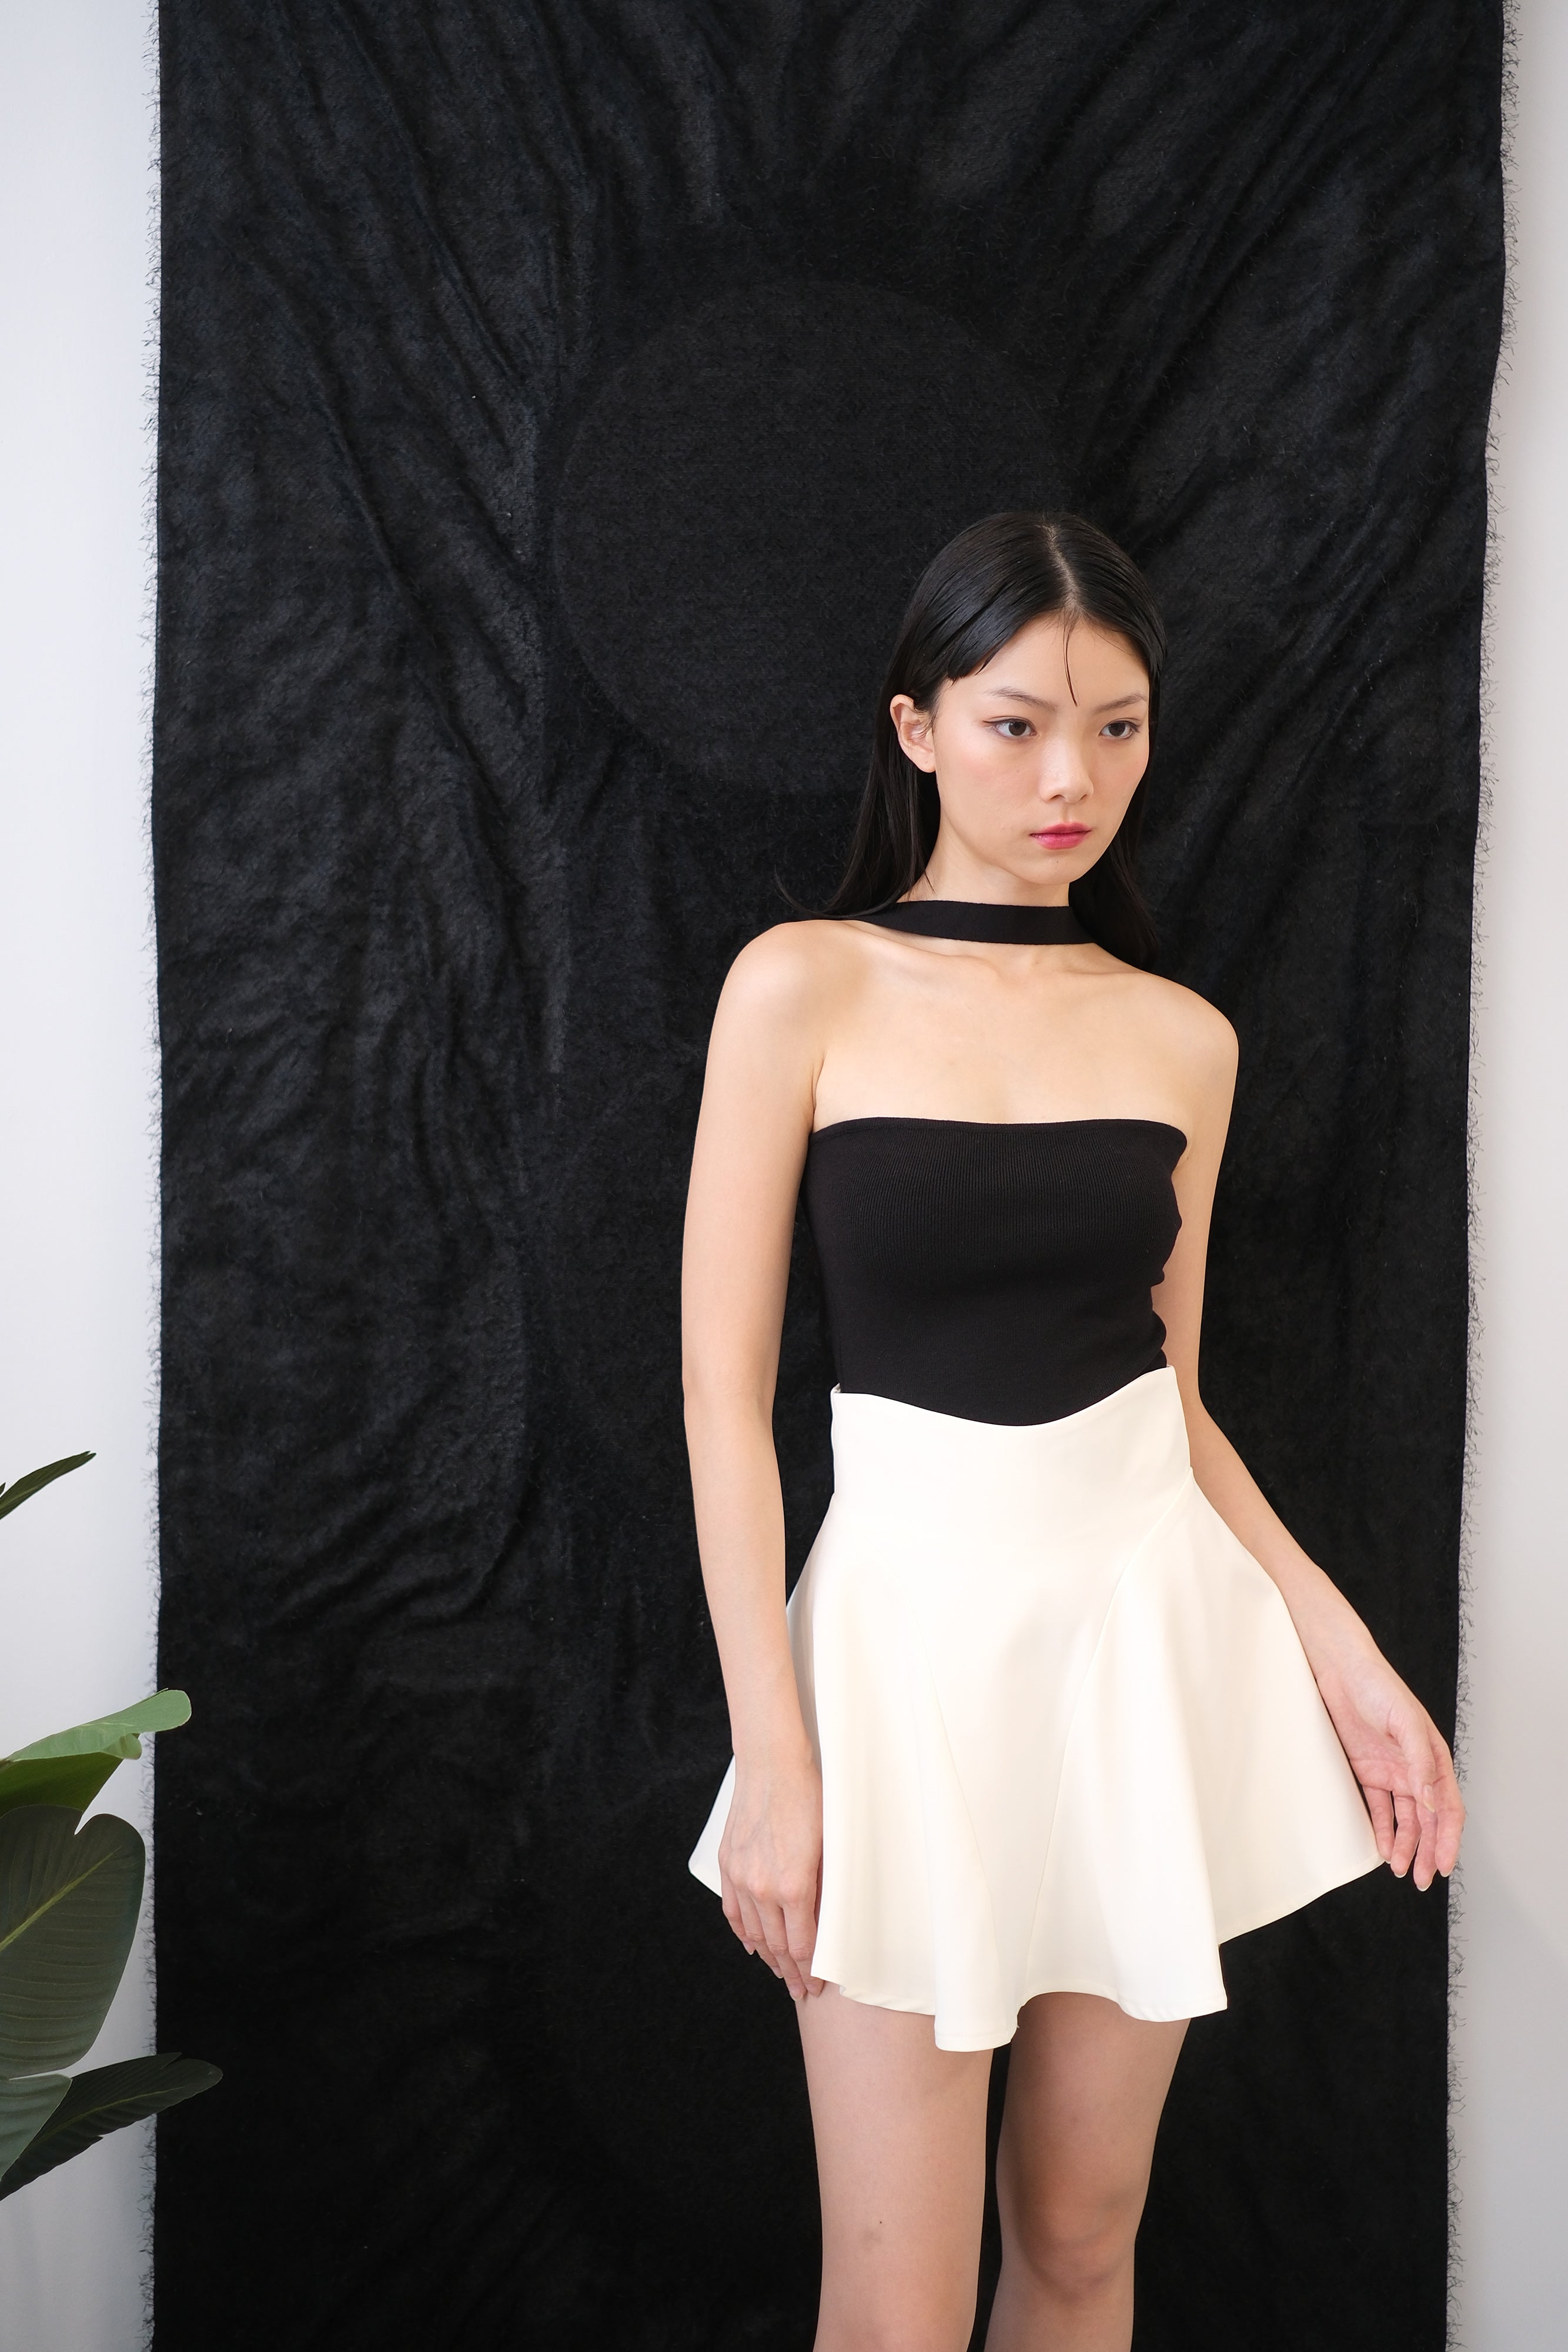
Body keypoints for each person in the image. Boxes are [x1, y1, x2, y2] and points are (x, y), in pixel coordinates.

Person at [681, 512, 1463, 2352]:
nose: (1071, 778)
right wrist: (773, 1755)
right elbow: (720, 1396)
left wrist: (1343, 1654)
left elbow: (1168, 1399)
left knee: (1081, 2240)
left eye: (1116, 728)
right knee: (891, 2302)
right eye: (1018, 724)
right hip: (896, 1661)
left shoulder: (1179, 1037)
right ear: (916, 728)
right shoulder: (799, 984)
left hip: (1137, 1650)